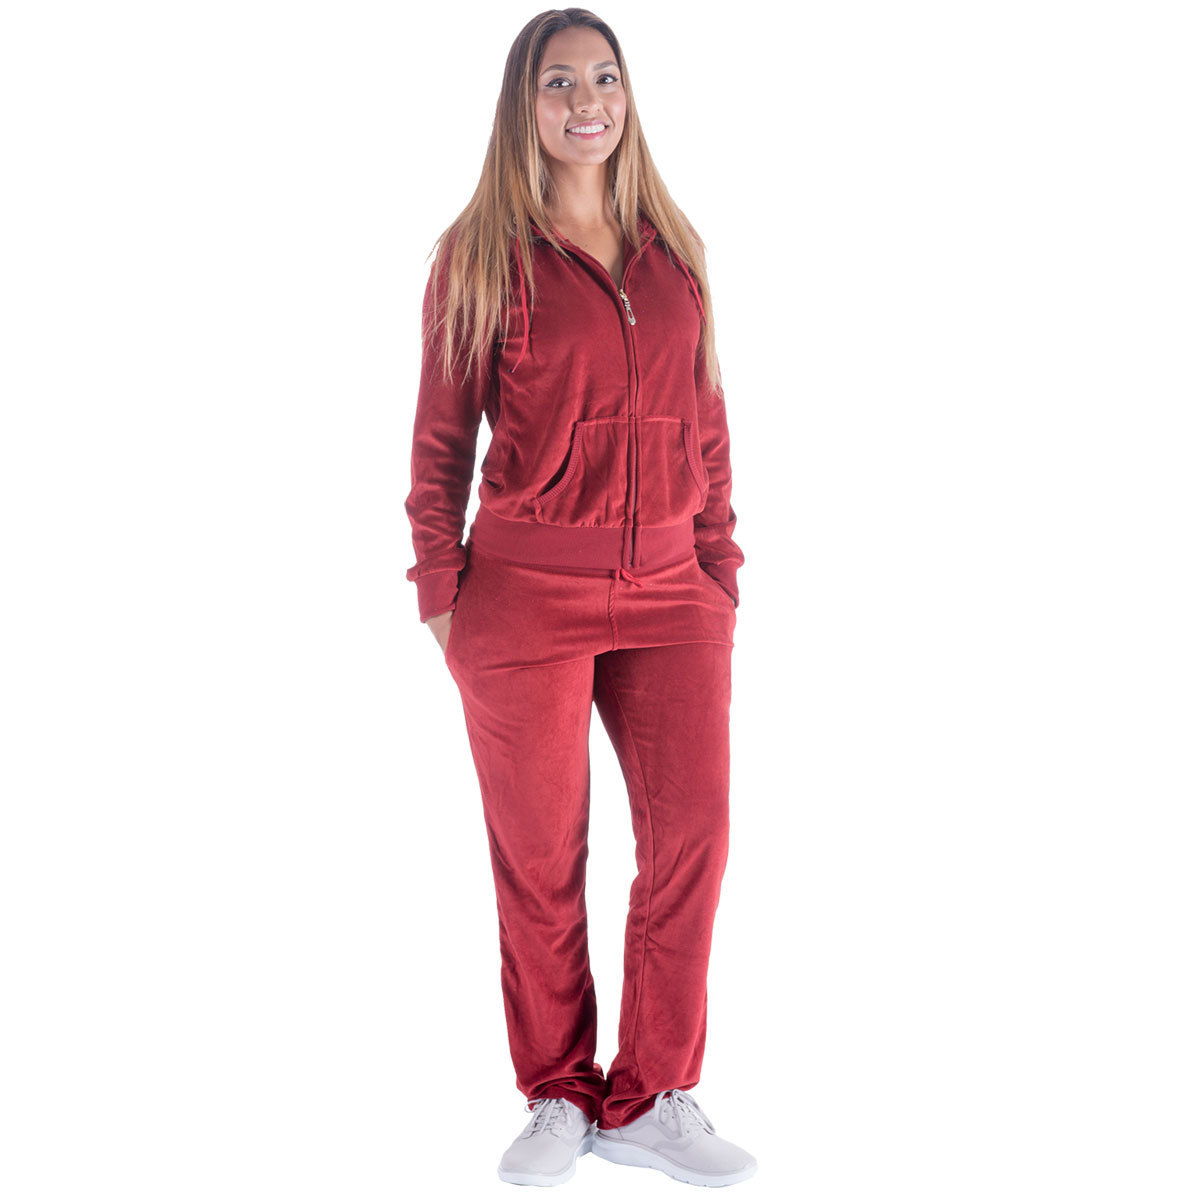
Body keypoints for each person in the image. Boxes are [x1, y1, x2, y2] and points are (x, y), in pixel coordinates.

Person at [404, 10, 756, 1188]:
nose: (586, 101)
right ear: (526, 104)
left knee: (692, 836)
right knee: (542, 857)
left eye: (604, 77)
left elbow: (707, 423)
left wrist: (718, 570)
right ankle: (558, 1092)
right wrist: (442, 595)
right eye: (559, 83)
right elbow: (440, 443)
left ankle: (650, 1095)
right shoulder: (480, 256)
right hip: (523, 595)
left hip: (673, 592)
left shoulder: (674, 248)